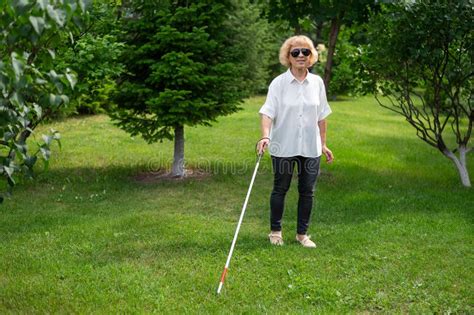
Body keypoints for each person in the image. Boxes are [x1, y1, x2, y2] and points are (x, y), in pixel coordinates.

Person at [257, 35, 334, 248]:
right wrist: (265, 135)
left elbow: (322, 116)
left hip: (311, 147)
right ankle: (275, 231)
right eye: (295, 52)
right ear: (288, 57)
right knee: (280, 188)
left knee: (307, 191)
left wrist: (324, 144)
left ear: (311, 56)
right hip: (284, 145)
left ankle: (302, 235)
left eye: (305, 52)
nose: (301, 56)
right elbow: (267, 112)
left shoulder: (317, 83)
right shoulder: (278, 84)